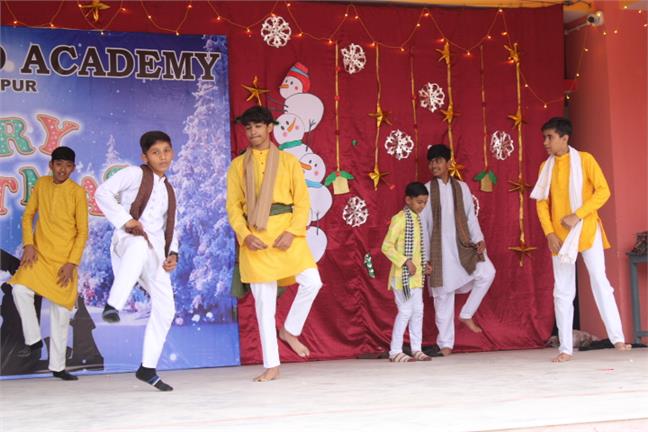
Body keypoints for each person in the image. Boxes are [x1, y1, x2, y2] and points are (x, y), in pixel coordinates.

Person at [226, 106, 322, 382]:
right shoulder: (237, 166)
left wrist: (292, 232)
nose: (252, 132)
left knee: (312, 281)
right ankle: (272, 365)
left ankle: (289, 330)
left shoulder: (289, 162)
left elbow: (302, 202)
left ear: (270, 128)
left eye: (258, 126)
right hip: (255, 237)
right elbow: (233, 207)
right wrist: (245, 235)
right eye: (248, 127)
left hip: (286, 234)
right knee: (264, 306)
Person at [531, 117, 631, 363]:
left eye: (550, 137)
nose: (545, 142)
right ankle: (566, 348)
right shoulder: (545, 168)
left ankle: (618, 339)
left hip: (586, 229)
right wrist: (549, 233)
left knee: (599, 280)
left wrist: (578, 215)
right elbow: (541, 204)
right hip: (559, 236)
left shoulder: (585, 160)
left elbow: (603, 191)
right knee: (562, 290)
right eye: (545, 137)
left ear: (564, 138)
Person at [95, 131, 179, 391]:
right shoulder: (134, 174)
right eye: (156, 152)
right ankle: (113, 305)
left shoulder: (169, 190)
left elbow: (170, 226)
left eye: (166, 151)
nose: (162, 157)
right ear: (145, 157)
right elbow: (102, 193)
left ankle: (147, 368)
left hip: (155, 252)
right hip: (128, 240)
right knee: (139, 246)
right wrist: (126, 220)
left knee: (166, 309)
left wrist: (172, 253)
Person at [10, 146, 88, 380]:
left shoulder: (77, 192)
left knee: (61, 315)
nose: (62, 169)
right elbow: (27, 216)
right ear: (51, 165)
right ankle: (34, 340)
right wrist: (29, 244)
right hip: (40, 255)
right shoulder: (42, 184)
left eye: (68, 165)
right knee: (19, 289)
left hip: (64, 261)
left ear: (73, 168)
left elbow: (82, 232)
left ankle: (58, 367)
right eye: (59, 164)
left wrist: (72, 263)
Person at [421, 144, 496, 356]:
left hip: (462, 246)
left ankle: (466, 313)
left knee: (487, 272)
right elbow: (423, 226)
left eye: (438, 160)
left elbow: (470, 217)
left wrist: (479, 239)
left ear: (448, 163)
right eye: (431, 161)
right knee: (443, 296)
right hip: (439, 251)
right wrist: (426, 258)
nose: (433, 165)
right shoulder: (426, 190)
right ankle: (445, 344)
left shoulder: (462, 188)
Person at [381, 182, 432, 362]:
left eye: (424, 203)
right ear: (408, 200)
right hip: (401, 277)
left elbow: (417, 250)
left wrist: (424, 265)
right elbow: (386, 246)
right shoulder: (400, 219)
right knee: (405, 311)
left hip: (415, 277)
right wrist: (405, 261)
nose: (422, 206)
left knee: (418, 312)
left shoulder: (416, 219)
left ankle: (416, 348)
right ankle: (395, 351)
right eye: (419, 202)